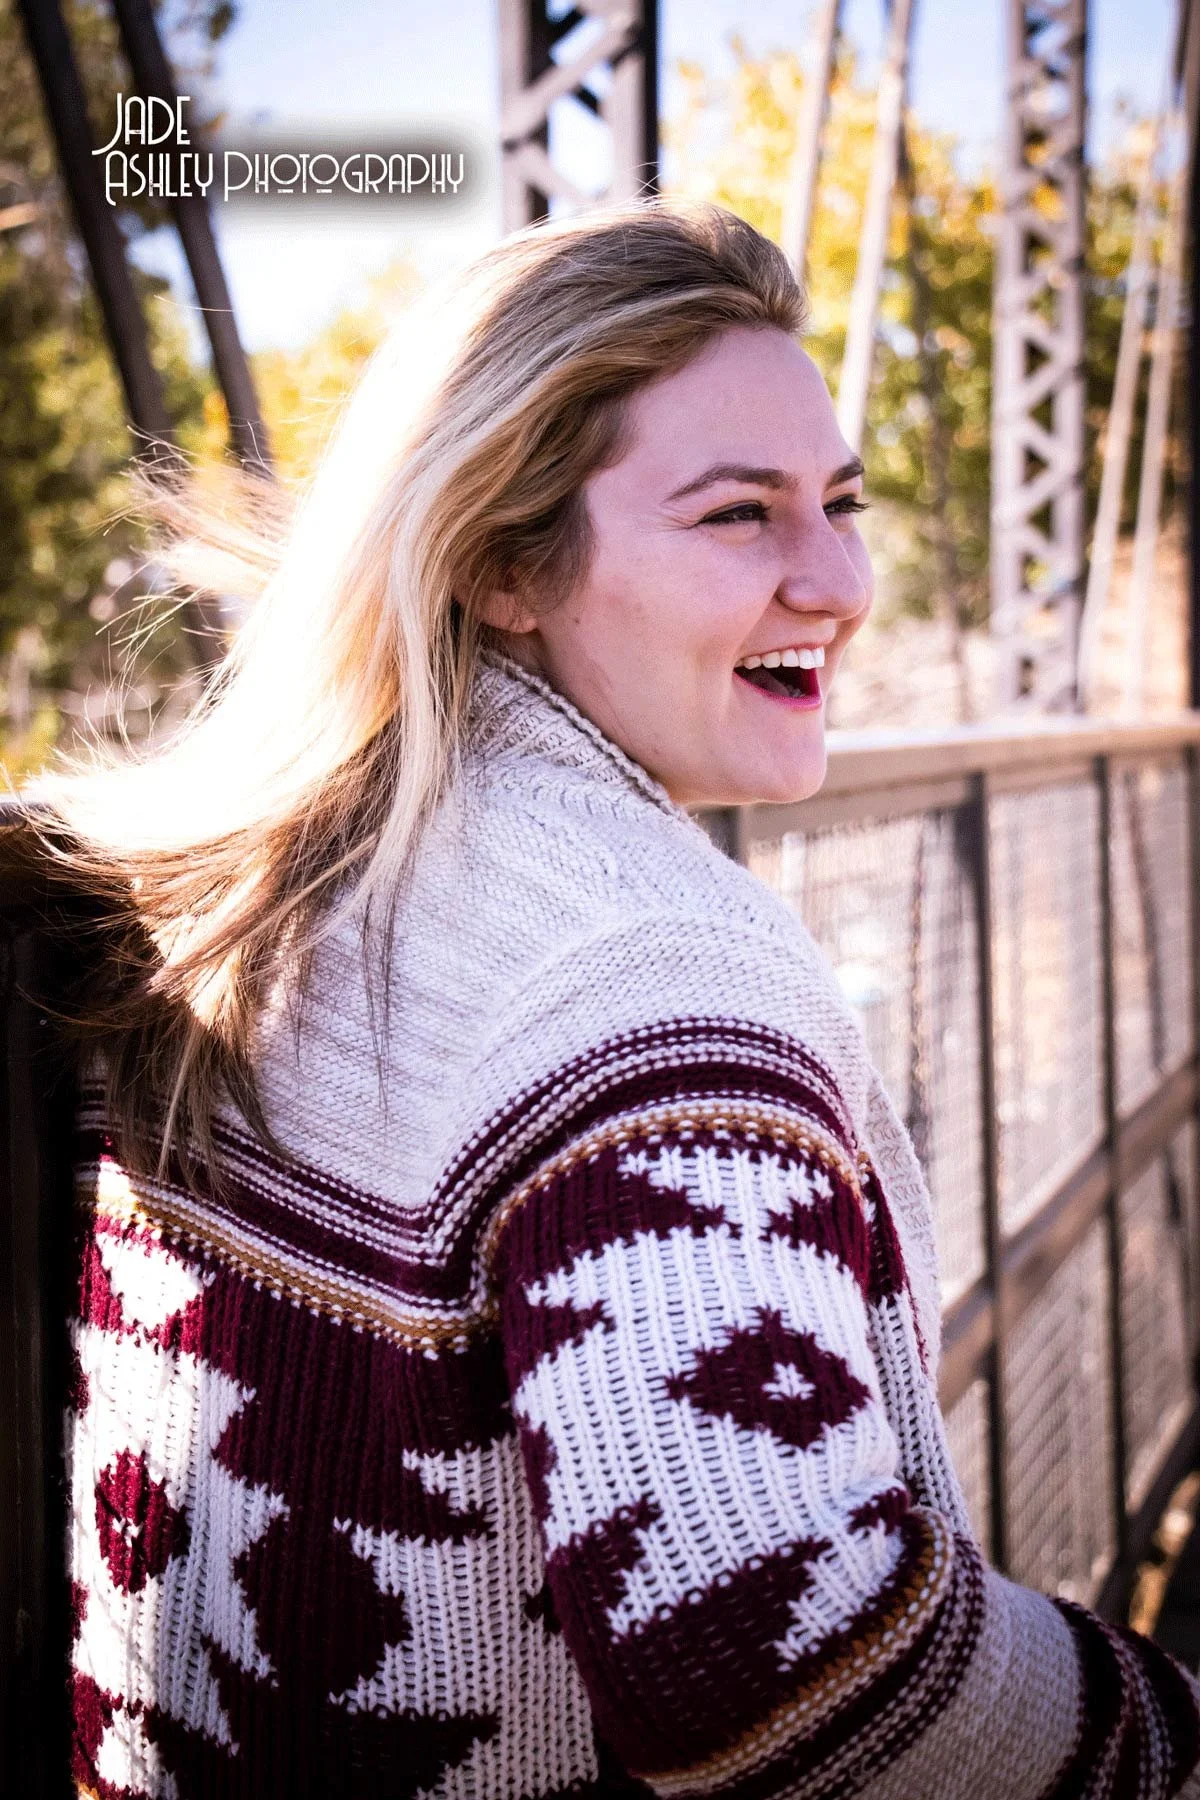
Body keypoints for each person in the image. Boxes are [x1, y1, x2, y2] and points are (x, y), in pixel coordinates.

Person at [39, 198, 1200, 1800]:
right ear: (504, 563)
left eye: (842, 504)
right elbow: (777, 1662)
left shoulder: (267, 892)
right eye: (740, 516)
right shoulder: (649, 973)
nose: (840, 582)